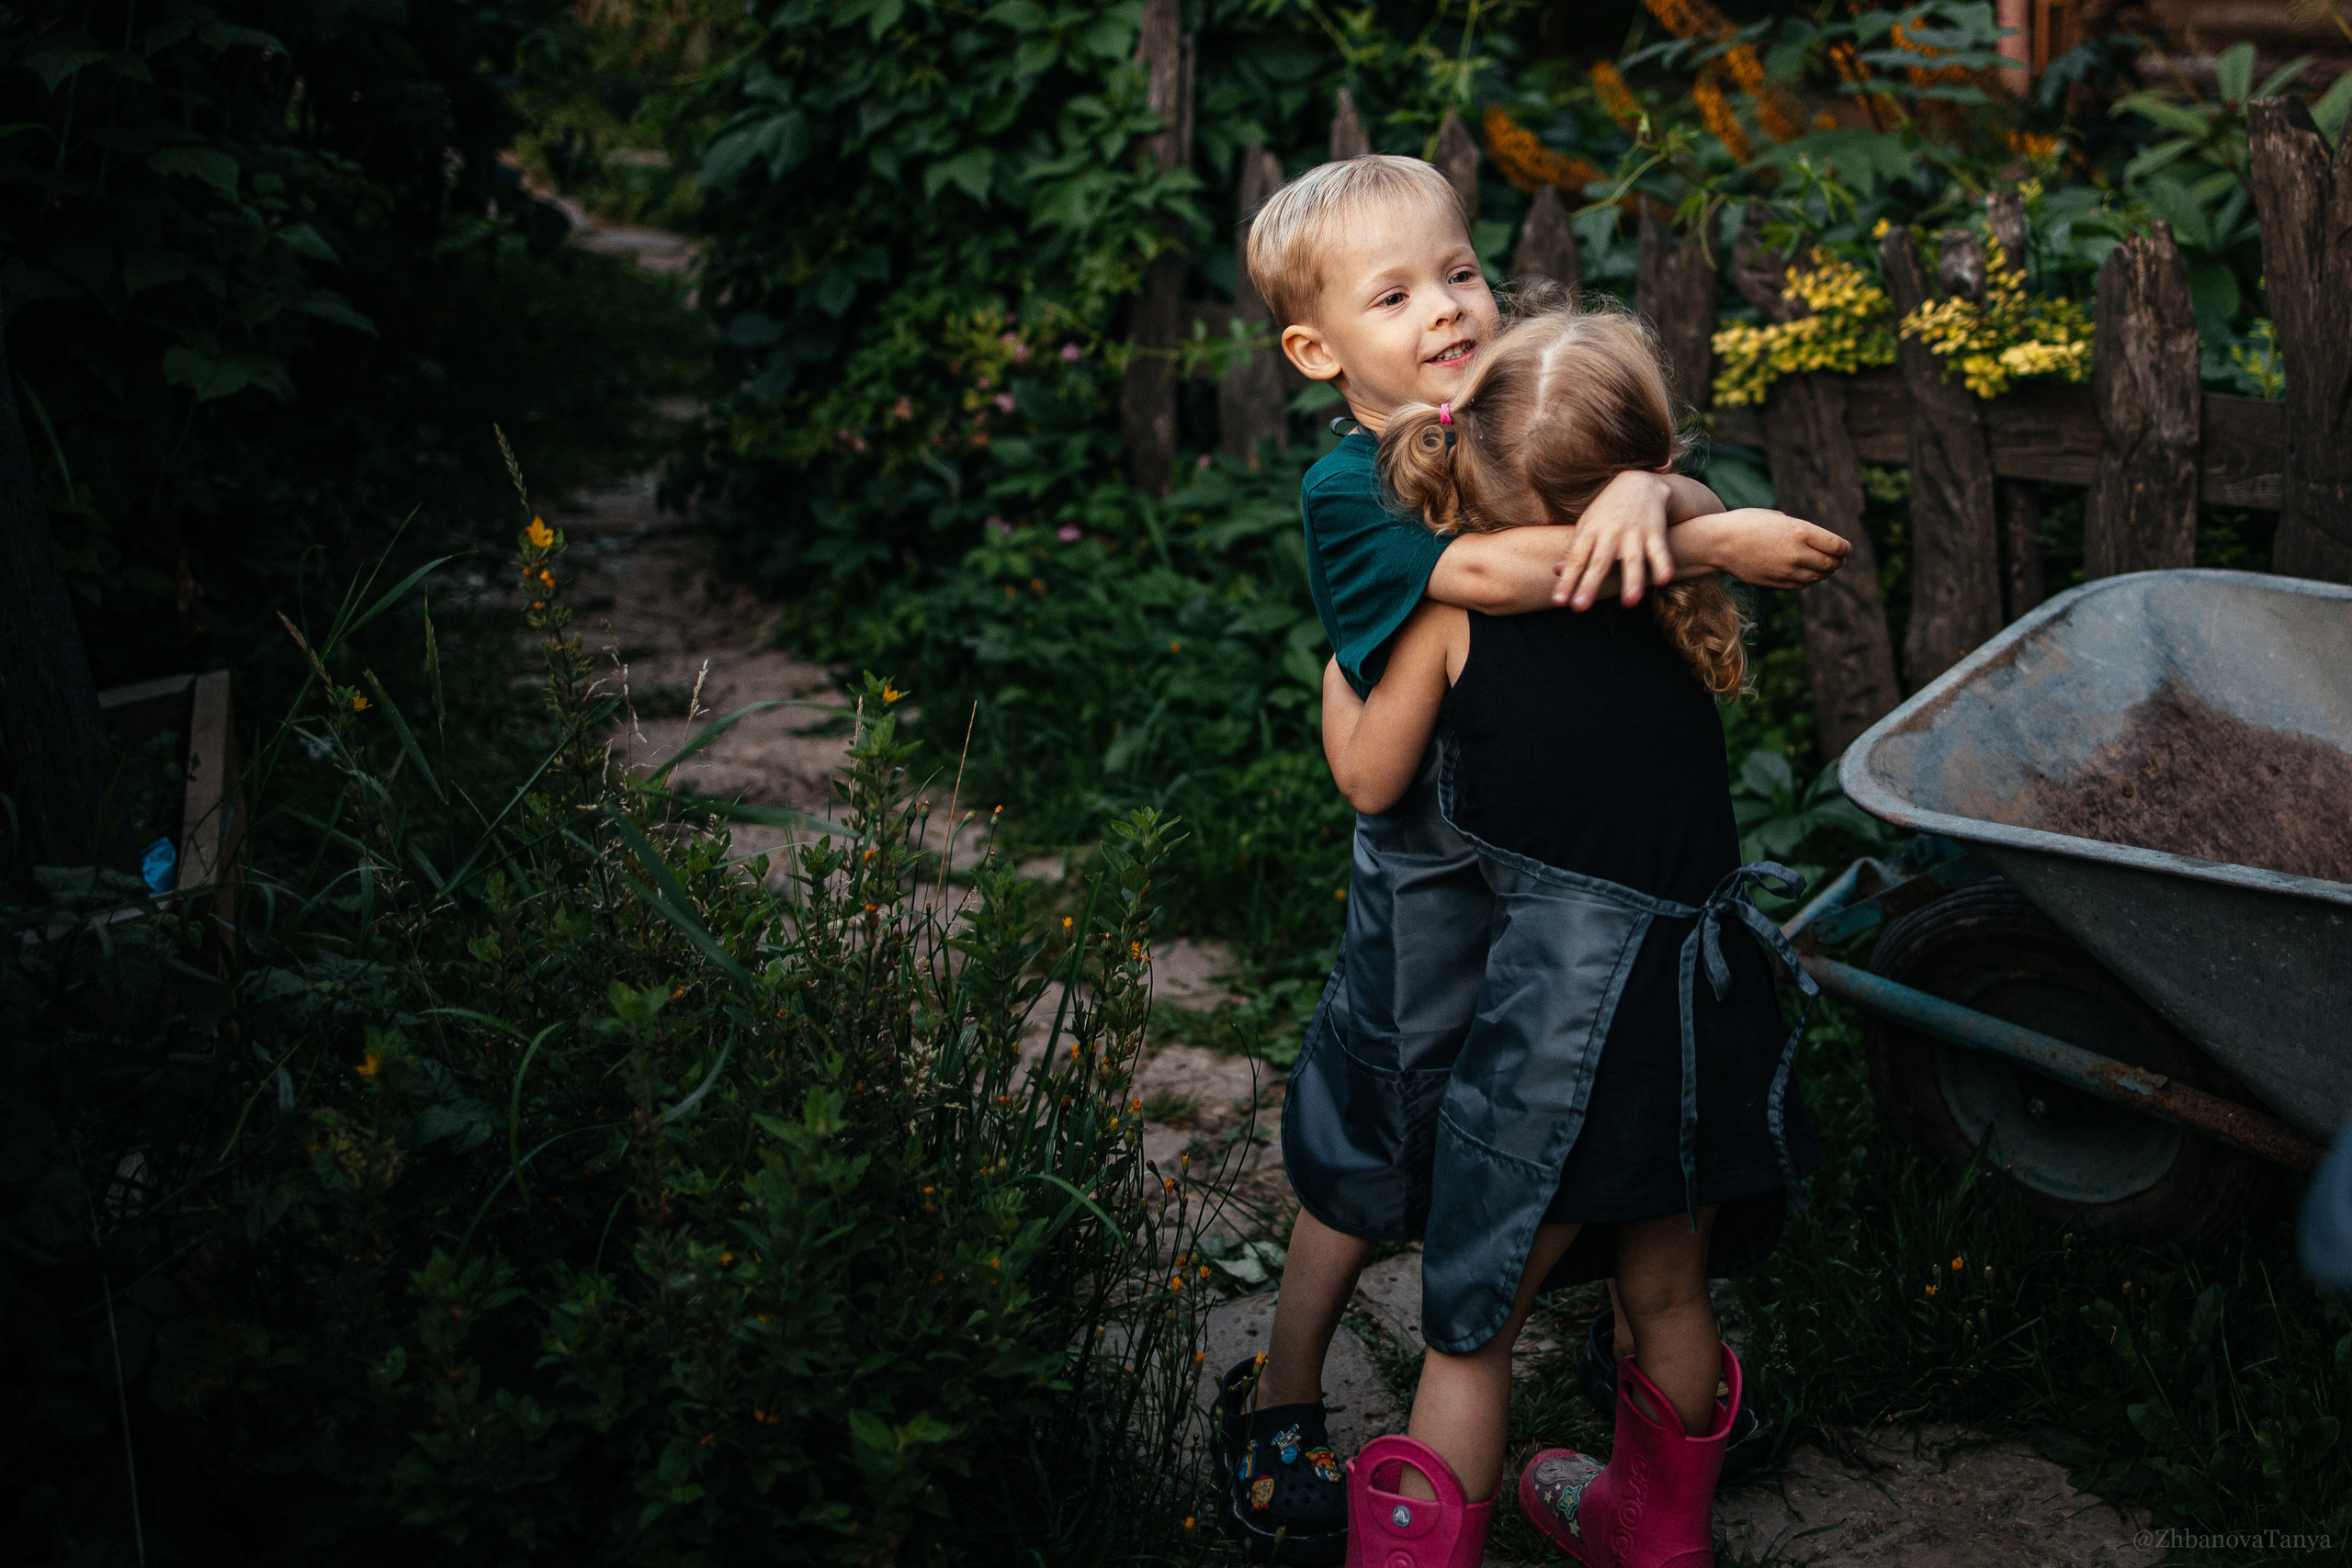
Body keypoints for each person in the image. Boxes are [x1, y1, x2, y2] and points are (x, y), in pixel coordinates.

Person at [1208, 152, 1852, 1565]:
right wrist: (1691, 530)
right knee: (1372, 1142)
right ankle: (1285, 1388)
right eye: (1394, 295)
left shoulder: (1531, 413)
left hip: (1564, 907)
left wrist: (1649, 500)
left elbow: (1627, 465)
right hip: (1440, 891)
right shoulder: (1348, 485)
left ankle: (1610, 1428)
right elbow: (1492, 578)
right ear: (1317, 351)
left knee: (1543, 1188)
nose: (1446, 307)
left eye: (1458, 272)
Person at [1320, 302, 1823, 1568]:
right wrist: (1673, 504)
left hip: (1560, 1036)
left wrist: (1343, 669)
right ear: (1647, 475)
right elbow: (1677, 503)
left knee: (1473, 1326)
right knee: (1669, 1291)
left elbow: (1371, 780)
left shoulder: (1449, 620)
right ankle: (1656, 1539)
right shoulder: (1667, 593)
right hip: (1705, 1010)